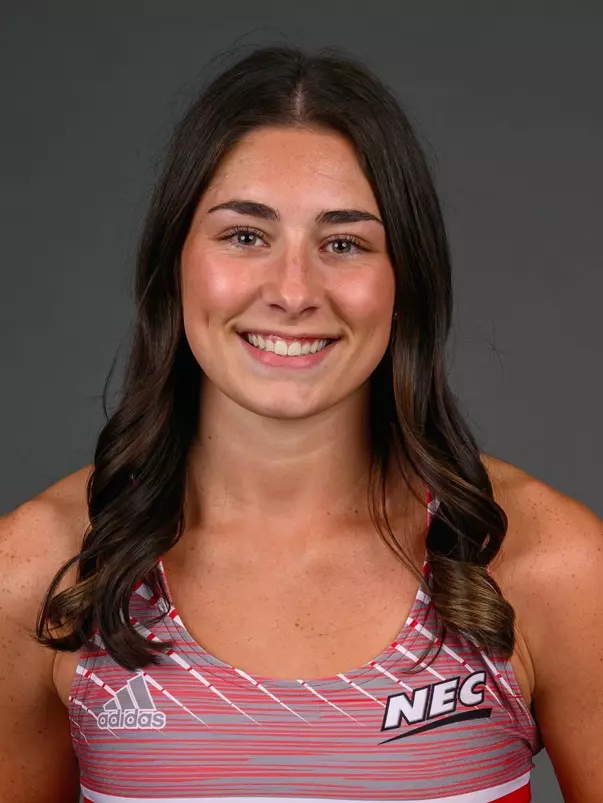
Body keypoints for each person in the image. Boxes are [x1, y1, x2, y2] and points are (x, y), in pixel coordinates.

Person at [0, 44, 601, 803]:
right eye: (245, 235)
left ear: (404, 279)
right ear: (175, 260)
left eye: (343, 242)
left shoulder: (546, 564)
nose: (292, 291)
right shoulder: (43, 571)